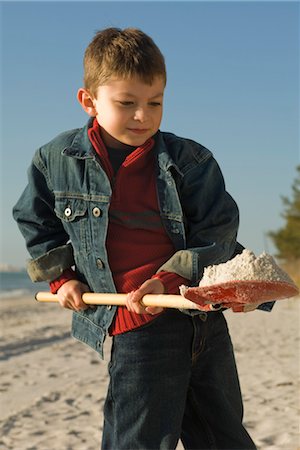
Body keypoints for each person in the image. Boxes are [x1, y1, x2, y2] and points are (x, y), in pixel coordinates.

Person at [13, 27, 257, 449]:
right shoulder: (56, 160)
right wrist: (63, 278)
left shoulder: (190, 161)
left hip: (202, 317)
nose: (143, 116)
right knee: (137, 441)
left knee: (224, 438)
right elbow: (36, 220)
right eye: (126, 104)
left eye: (155, 103)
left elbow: (217, 230)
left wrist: (168, 278)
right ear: (88, 101)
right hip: (140, 326)